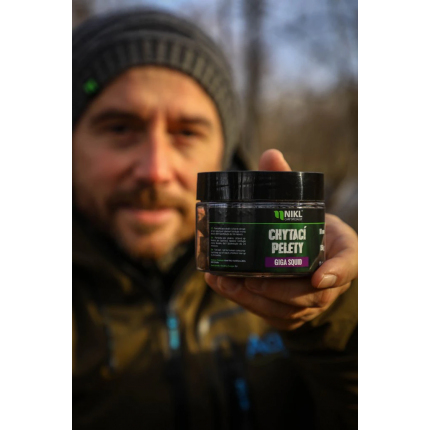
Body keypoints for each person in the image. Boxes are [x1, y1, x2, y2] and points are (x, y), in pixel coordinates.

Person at [73, 8, 358, 430]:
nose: (155, 170)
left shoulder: (283, 264)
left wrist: (335, 318)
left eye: (187, 132)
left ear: (225, 153)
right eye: (119, 128)